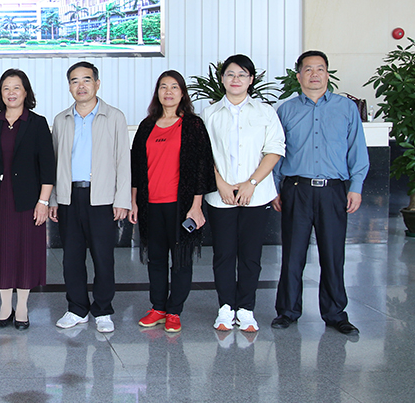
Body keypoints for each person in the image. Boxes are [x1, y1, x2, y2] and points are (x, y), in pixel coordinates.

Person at [271, 50, 369, 335]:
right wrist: (275, 190)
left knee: (333, 254)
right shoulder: (285, 110)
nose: (314, 74)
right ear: (298, 75)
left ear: (327, 74)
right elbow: (276, 152)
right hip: (296, 190)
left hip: (333, 191)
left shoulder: (346, 108)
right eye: (308, 69)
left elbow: (357, 150)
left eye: (320, 69)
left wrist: (356, 188)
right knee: (292, 254)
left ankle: (335, 313)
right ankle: (288, 310)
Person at [201, 54, 285, 333]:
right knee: (224, 254)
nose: (235, 79)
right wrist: (221, 184)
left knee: (251, 256)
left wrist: (252, 183)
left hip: (256, 194)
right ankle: (226, 307)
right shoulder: (210, 114)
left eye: (242, 74)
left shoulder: (265, 112)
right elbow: (203, 155)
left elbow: (274, 149)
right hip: (220, 196)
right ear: (222, 79)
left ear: (251, 79)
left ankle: (246, 308)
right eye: (230, 74)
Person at [129, 70, 216, 333]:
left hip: (181, 206)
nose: (168, 92)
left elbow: (202, 166)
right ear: (157, 92)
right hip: (150, 204)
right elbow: (136, 167)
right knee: (155, 259)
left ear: (182, 93)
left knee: (181, 259)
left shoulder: (192, 125)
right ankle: (158, 308)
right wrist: (134, 201)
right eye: (163, 87)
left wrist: (196, 205)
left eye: (174, 87)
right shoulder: (147, 125)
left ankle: (174, 311)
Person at [48, 62, 131, 334]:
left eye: (86, 80)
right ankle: (77, 309)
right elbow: (55, 163)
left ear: (97, 83)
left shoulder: (114, 117)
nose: (80, 86)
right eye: (74, 81)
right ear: (69, 86)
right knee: (71, 257)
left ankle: (103, 310)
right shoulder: (61, 119)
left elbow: (123, 160)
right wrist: (54, 199)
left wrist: (122, 200)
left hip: (102, 197)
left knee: (103, 257)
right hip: (69, 197)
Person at [0, 69, 56, 330]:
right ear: (0, 93)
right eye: (6, 88)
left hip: (28, 201)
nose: (11, 93)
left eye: (16, 87)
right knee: (2, 252)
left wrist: (43, 202)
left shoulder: (37, 123)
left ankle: (22, 307)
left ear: (26, 92)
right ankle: (4, 306)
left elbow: (47, 167)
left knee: (25, 253)